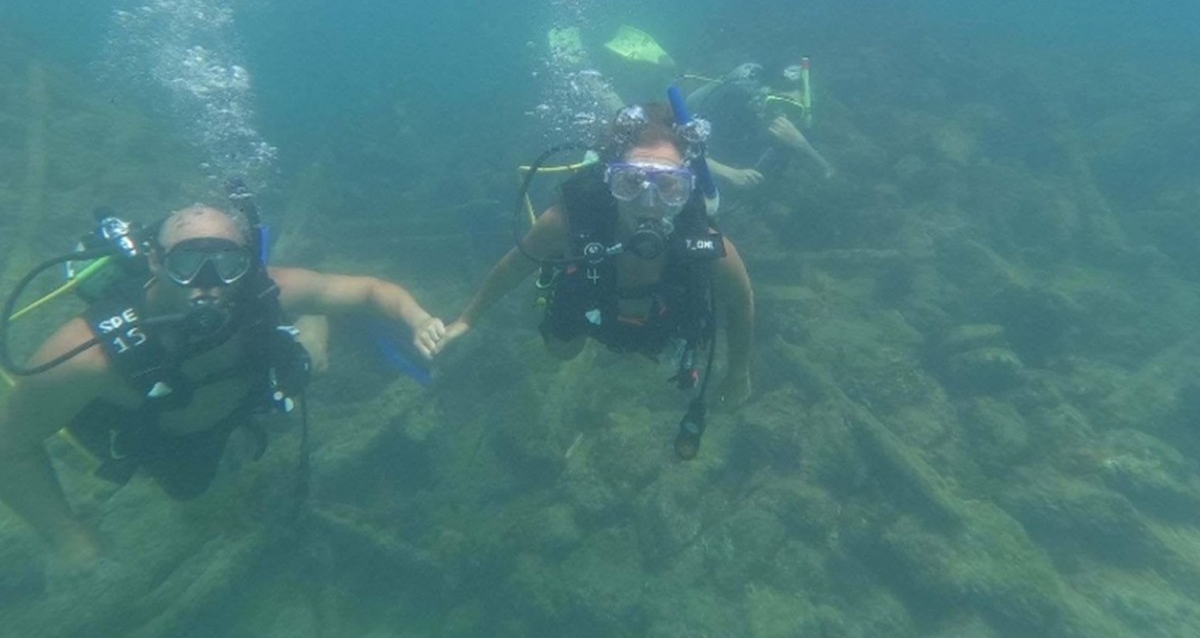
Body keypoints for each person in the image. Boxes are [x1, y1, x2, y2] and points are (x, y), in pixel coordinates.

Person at [0, 203, 445, 564]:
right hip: (169, 437)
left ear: (247, 265)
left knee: (312, 361)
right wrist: (67, 537)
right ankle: (309, 320)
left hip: (243, 394)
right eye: (188, 264)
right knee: (193, 497)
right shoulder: (89, 355)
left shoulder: (265, 289)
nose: (208, 285)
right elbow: (11, 447)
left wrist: (418, 318)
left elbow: (370, 291)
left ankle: (313, 322)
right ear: (156, 260)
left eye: (227, 264)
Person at [421, 103, 753, 425]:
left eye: (669, 186)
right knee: (561, 352)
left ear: (687, 187)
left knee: (664, 356)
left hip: (661, 319)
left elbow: (741, 303)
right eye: (631, 181)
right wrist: (467, 319)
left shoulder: (707, 246)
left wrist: (739, 372)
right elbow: (515, 266)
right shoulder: (566, 223)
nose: (648, 201)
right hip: (589, 299)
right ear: (610, 181)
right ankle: (555, 275)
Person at [687, 62, 834, 190]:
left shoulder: (792, 135)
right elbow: (682, 146)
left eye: (793, 111)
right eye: (778, 104)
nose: (783, 116)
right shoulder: (733, 101)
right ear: (766, 94)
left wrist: (802, 145)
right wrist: (728, 173)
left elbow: (828, 173)